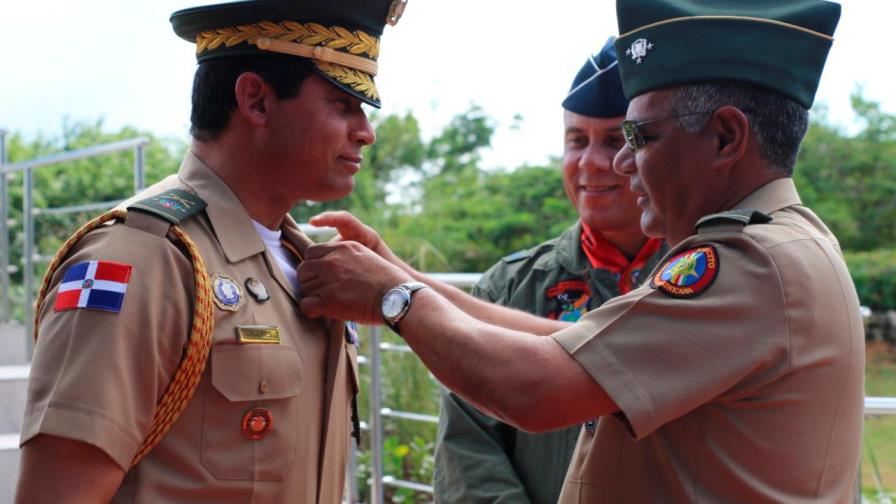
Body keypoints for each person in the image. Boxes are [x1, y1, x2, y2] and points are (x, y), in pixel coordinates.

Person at [297, 0, 865, 501]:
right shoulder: (782, 244)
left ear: (725, 137)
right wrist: (402, 273)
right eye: (580, 140)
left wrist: (394, 298)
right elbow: (571, 349)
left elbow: (537, 388)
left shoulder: (748, 263)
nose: (616, 164)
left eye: (637, 138)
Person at [15, 0, 405, 502]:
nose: (365, 133)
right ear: (256, 101)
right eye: (342, 104)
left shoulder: (303, 264)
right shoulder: (138, 259)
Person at [433, 37, 665, 504]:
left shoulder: (701, 277)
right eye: (576, 141)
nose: (592, 163)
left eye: (617, 141)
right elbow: (467, 447)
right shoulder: (507, 286)